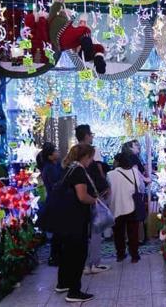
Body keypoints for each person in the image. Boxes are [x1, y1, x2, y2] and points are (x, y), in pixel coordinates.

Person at [56, 144, 97, 302]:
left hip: (65, 217)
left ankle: (63, 283)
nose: (92, 161)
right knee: (78, 253)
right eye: (91, 157)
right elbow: (82, 196)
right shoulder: (79, 170)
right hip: (76, 218)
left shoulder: (68, 168)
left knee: (67, 252)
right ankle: (74, 291)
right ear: (85, 157)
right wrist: (94, 200)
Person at [75, 124, 110, 274]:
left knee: (86, 231)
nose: (92, 136)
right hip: (95, 195)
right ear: (87, 135)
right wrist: (106, 186)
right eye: (91, 134)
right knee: (97, 229)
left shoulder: (75, 151)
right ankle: (93, 263)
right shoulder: (92, 151)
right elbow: (99, 171)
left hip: (84, 195)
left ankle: (88, 263)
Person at [107, 153, 147, 262]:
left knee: (118, 233)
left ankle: (120, 254)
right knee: (133, 233)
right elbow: (139, 186)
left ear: (117, 162)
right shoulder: (134, 172)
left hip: (116, 207)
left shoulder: (110, 174)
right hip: (132, 206)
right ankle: (134, 255)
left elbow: (108, 190)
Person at [38, 142, 63, 266]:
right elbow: (56, 185)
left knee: (59, 231)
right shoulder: (49, 168)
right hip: (55, 202)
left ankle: (57, 255)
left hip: (58, 200)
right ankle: (54, 257)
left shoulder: (56, 165)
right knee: (58, 231)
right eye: (55, 151)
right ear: (50, 156)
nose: (58, 153)